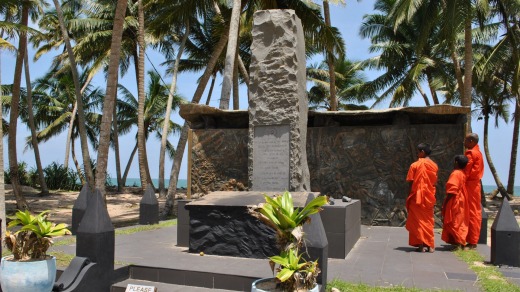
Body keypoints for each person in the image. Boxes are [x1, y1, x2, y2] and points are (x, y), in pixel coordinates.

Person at [406, 143, 438, 253]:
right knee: (428, 221)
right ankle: (430, 245)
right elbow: (433, 182)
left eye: (418, 151)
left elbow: (410, 182)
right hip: (429, 197)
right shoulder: (434, 165)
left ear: (422, 152)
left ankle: (421, 245)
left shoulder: (414, 165)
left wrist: (410, 195)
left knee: (418, 221)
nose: (417, 154)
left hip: (417, 197)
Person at [441, 155, 469, 250]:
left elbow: (452, 191)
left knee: (452, 221)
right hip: (461, 199)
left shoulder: (456, 173)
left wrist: (445, 204)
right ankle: (459, 242)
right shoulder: (462, 173)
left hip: (454, 200)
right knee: (458, 221)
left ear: (456, 163)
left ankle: (459, 242)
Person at [464, 133, 484, 250]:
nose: (464, 142)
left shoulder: (471, 153)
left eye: (466, 140)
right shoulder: (479, 153)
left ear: (471, 141)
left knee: (471, 213)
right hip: (474, 185)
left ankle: (472, 241)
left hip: (470, 185)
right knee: (474, 211)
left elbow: (467, 171)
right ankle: (470, 239)